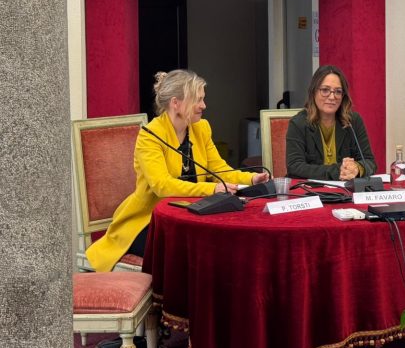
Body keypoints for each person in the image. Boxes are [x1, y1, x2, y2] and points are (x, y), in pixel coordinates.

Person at [85, 69, 270, 272]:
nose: (204, 106)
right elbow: (162, 186)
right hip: (150, 221)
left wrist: (251, 179)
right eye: (198, 100)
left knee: (222, 245)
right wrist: (211, 189)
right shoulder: (150, 136)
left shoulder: (202, 128)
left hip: (193, 214)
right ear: (176, 103)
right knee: (192, 254)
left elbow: (218, 169)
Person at [286, 65, 376, 181]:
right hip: (311, 190)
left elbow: (369, 162)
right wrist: (337, 171)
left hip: (345, 189)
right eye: (325, 90)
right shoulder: (298, 123)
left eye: (338, 91)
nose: (332, 97)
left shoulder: (353, 121)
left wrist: (356, 169)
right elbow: (294, 167)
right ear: (313, 92)